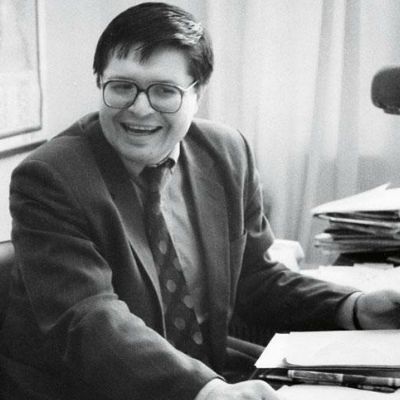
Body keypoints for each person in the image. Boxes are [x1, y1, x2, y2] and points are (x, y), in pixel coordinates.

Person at [1, 2, 399, 399]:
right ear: (99, 83)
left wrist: (356, 307)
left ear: (198, 94)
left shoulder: (226, 152)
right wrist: (206, 391)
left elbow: (255, 280)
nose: (139, 108)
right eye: (121, 86)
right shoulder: (51, 176)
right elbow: (89, 317)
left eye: (164, 91)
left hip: (206, 372)